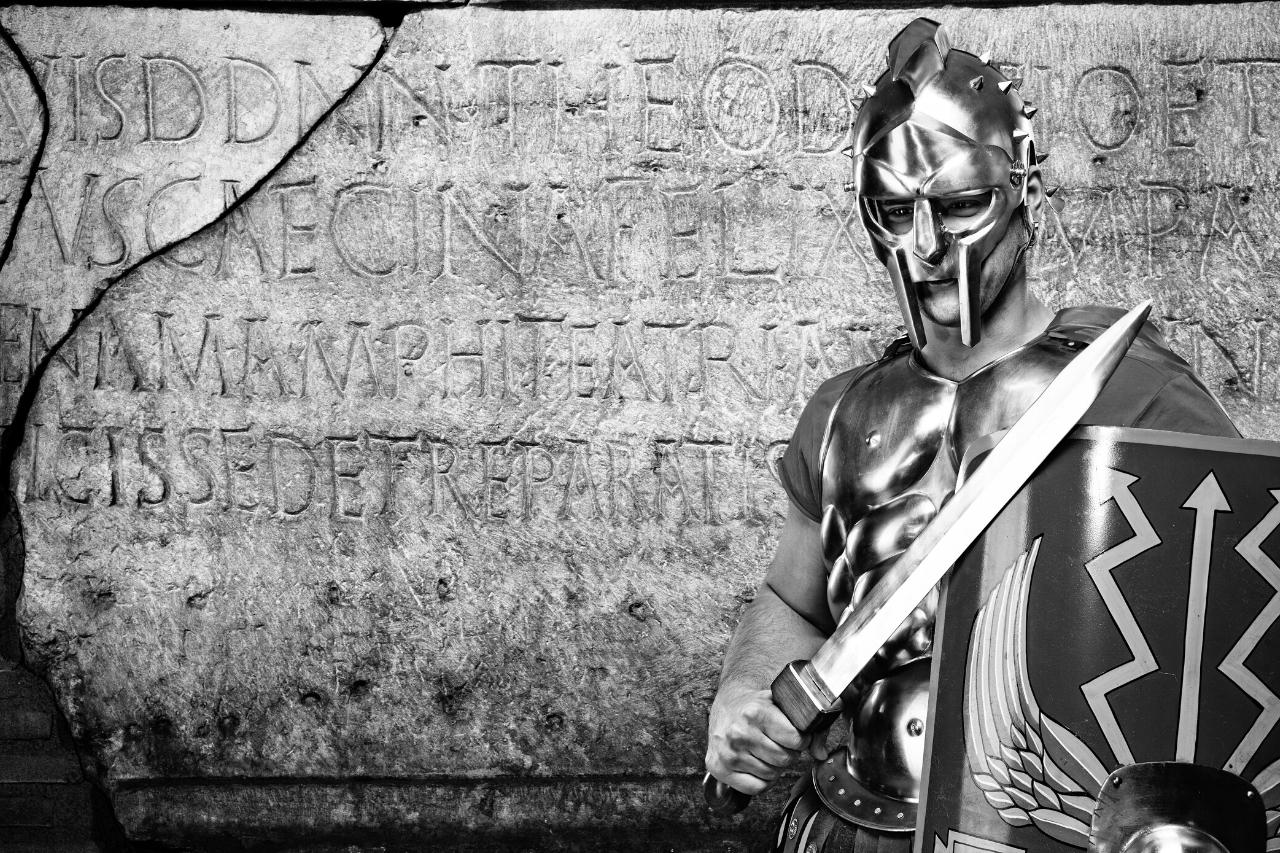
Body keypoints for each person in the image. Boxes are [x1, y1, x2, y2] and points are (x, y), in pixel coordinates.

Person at [703, 18, 1240, 853]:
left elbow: (1232, 613)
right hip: (857, 819)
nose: (925, 247)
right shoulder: (841, 413)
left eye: (958, 206)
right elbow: (791, 601)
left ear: (1025, 193)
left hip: (1053, 829)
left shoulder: (1134, 389)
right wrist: (741, 692)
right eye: (895, 211)